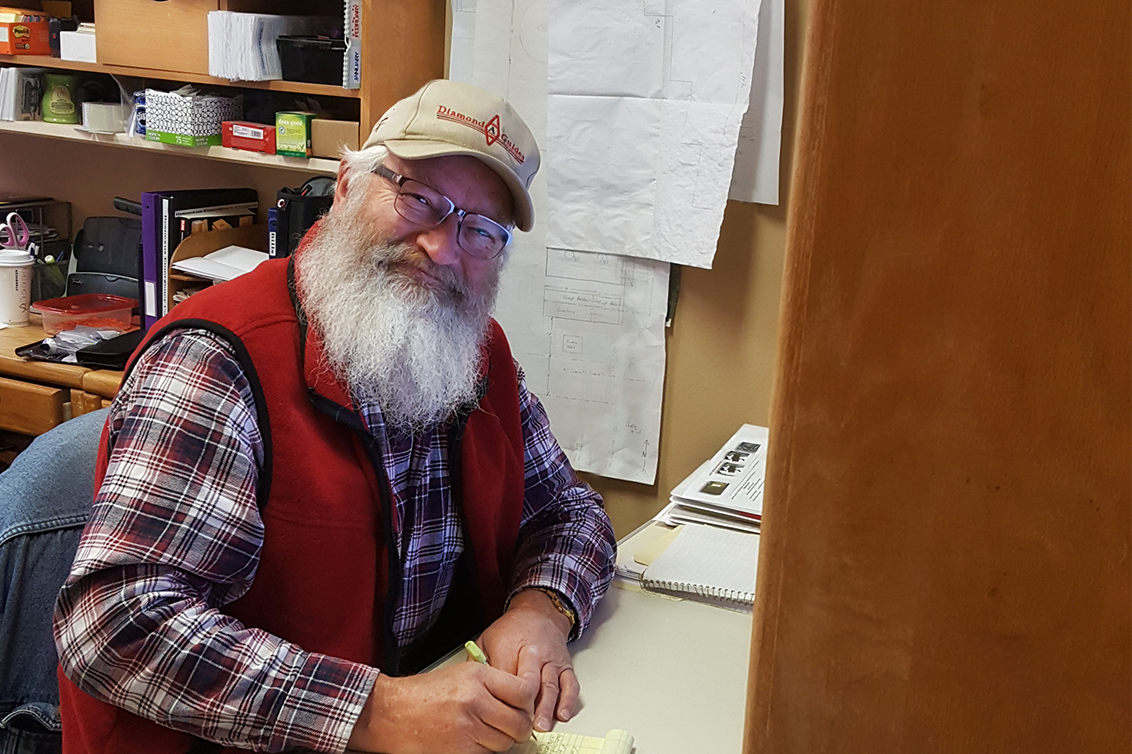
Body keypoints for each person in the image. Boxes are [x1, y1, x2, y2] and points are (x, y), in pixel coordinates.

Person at [53, 79, 616, 754]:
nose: (442, 247)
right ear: (347, 184)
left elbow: (570, 513)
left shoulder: (476, 356)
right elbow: (115, 625)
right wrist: (376, 711)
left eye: (481, 230)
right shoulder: (216, 358)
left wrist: (541, 610)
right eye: (419, 199)